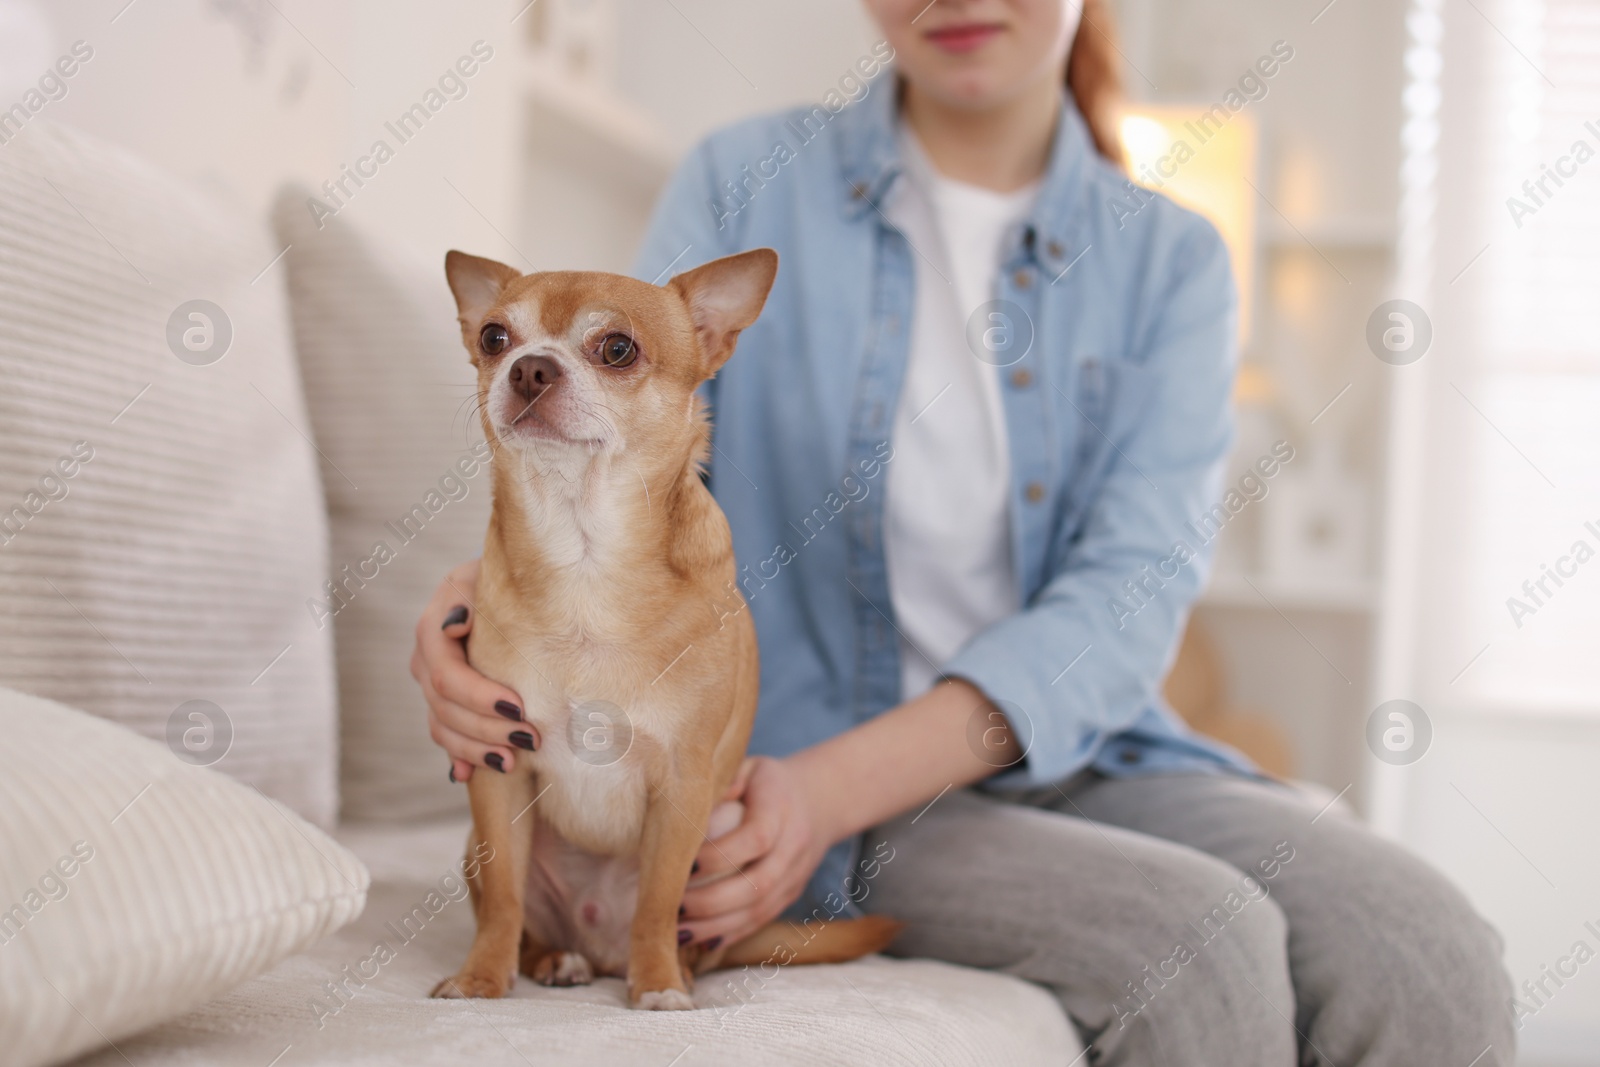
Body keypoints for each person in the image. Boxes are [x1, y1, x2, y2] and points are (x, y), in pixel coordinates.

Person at [410, 0, 1514, 1061]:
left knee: (1428, 957)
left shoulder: (1168, 259)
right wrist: (472, 607)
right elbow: (621, 462)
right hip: (798, 759)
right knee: (1202, 946)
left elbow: (1132, 586)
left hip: (1084, 754)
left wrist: (828, 791)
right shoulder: (742, 182)